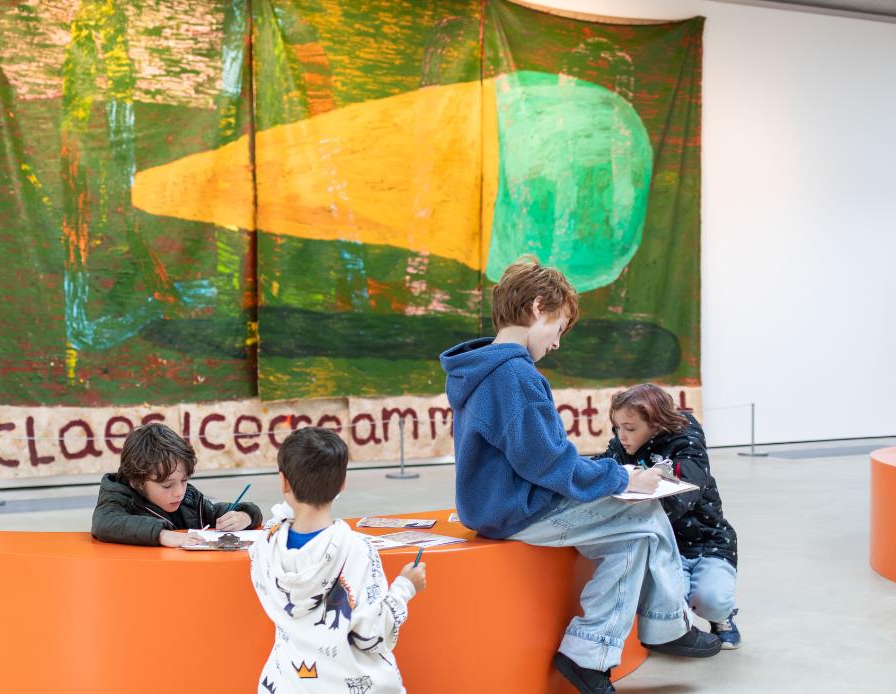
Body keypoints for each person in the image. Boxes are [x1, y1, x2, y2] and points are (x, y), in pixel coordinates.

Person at [439, 257, 719, 694]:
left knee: (631, 537)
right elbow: (550, 465)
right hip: (521, 510)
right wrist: (624, 478)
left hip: (498, 505)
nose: (556, 343)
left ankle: (597, 651)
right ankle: (657, 629)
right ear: (536, 308)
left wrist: (612, 476)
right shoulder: (515, 376)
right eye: (558, 327)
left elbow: (539, 458)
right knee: (642, 515)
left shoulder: (482, 370)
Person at [249, 427, 426, 693]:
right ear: (342, 484)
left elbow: (280, 520)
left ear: (283, 482)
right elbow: (371, 635)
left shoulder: (263, 548)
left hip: (288, 684)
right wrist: (405, 587)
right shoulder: (356, 549)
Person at [599, 383, 741, 648]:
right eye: (617, 428)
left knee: (709, 601)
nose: (622, 436)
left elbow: (683, 492)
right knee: (670, 611)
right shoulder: (622, 447)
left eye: (630, 429)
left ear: (656, 425)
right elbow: (600, 466)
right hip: (667, 545)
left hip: (707, 542)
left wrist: (635, 498)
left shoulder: (688, 445)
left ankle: (723, 617)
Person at [91, 423, 262, 547]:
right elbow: (104, 523)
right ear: (136, 481)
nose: (179, 492)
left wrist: (246, 515)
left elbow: (216, 513)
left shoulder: (188, 498)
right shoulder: (119, 496)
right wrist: (161, 535)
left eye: (184, 480)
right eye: (167, 485)